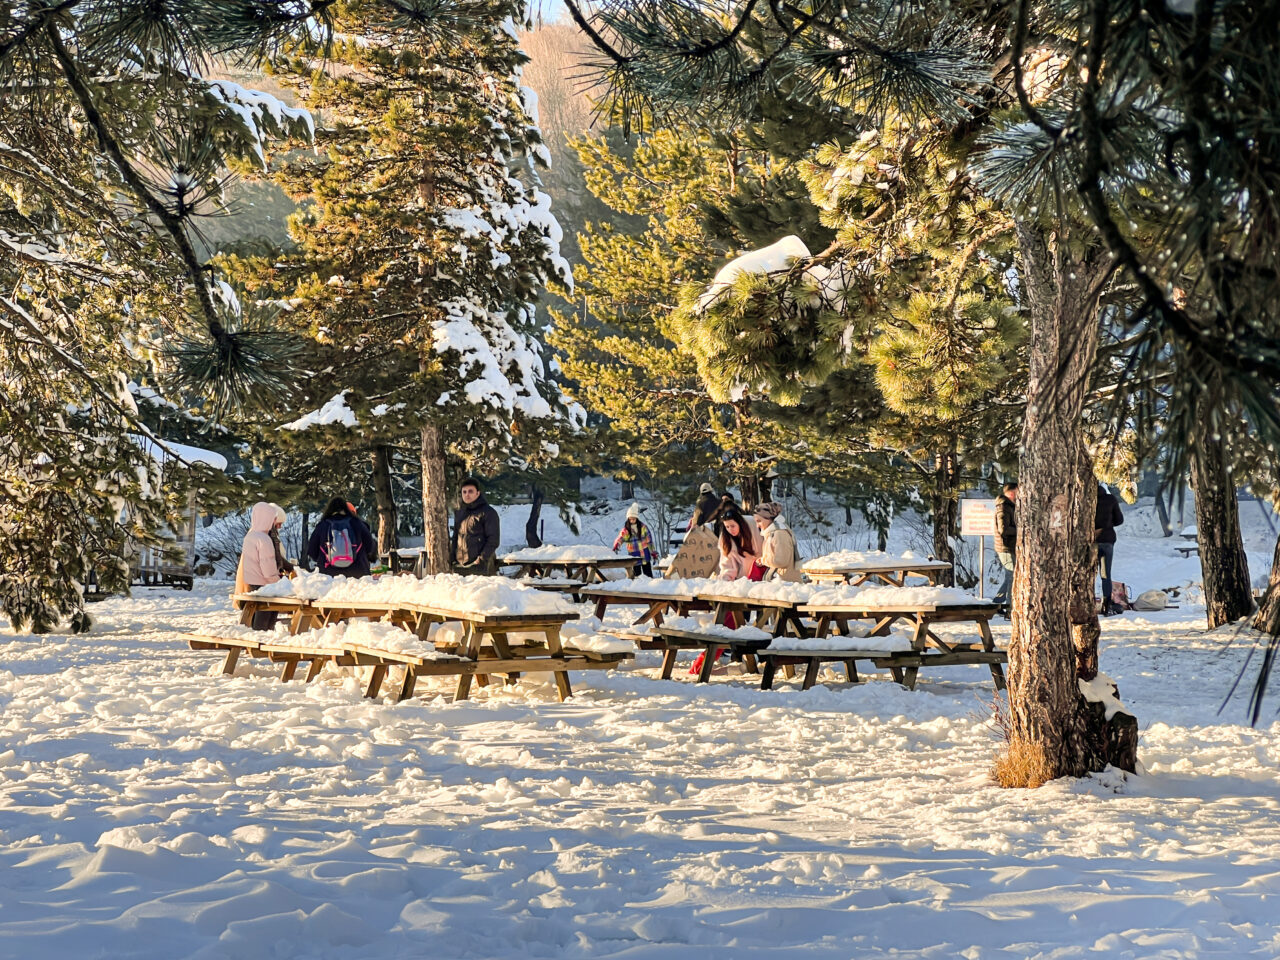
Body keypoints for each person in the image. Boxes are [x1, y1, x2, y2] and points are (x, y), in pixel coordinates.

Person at [690, 505, 762, 674]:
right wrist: (724, 583)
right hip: (739, 586)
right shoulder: (726, 539)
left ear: (740, 524)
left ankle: (746, 656)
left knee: (749, 621)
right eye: (727, 527)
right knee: (733, 621)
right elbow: (728, 566)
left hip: (758, 581)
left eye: (733, 526)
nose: (730, 530)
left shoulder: (752, 529)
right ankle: (732, 656)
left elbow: (761, 555)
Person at [236, 501, 283, 630]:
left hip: (251, 582)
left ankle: (252, 642)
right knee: (265, 620)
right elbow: (267, 567)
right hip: (264, 584)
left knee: (254, 617)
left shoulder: (249, 536)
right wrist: (278, 582)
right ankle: (260, 644)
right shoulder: (264, 539)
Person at [307, 497, 375, 578]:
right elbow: (370, 547)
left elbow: (312, 551)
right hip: (358, 574)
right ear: (346, 509)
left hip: (328, 575)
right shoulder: (357, 523)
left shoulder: (322, 525)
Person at [450, 476, 500, 575]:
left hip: (480, 566)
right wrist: (452, 558)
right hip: (459, 565)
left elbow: (493, 540)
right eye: (464, 492)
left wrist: (481, 559)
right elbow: (455, 537)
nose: (467, 495)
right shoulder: (460, 513)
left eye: (470, 491)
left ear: (478, 493)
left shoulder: (488, 512)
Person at [1095, 483, 1126, 615]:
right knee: (1105, 574)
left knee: (1086, 574)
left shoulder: (1082, 499)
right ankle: (1107, 605)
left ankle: (1086, 602)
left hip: (1089, 542)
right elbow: (1119, 520)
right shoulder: (1110, 499)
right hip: (1106, 540)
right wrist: (1107, 523)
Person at [753, 501, 801, 582]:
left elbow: (781, 561)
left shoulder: (779, 534)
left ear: (769, 519)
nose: (757, 525)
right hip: (781, 583)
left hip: (787, 584)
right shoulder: (771, 534)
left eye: (759, 521)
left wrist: (763, 560)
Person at [992, 481, 1018, 615]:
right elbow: (1004, 529)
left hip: (1009, 546)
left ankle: (997, 602)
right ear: (1012, 493)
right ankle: (1009, 607)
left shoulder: (1009, 506)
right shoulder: (1003, 507)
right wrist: (1020, 530)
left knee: (1010, 575)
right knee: (1011, 575)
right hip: (1005, 547)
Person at [613, 503, 656, 577]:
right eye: (630, 519)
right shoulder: (626, 529)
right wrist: (617, 544)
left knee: (648, 573)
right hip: (634, 553)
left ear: (637, 518)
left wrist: (653, 552)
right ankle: (636, 586)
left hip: (644, 552)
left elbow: (649, 540)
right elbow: (621, 537)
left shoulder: (643, 527)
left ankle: (650, 585)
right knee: (636, 574)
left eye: (633, 518)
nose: (632, 520)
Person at [269, 505, 295, 578]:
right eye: (279, 523)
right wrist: (291, 568)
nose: (280, 526)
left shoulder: (273, 534)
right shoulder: (269, 535)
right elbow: (275, 556)